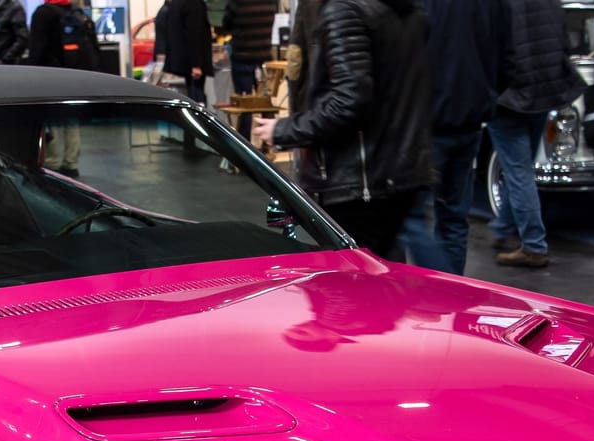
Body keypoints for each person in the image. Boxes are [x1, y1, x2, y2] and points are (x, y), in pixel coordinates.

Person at [252, 0, 433, 257]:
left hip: (358, 181)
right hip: (397, 174)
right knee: (385, 273)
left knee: (352, 282)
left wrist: (285, 130)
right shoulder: (409, 12)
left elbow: (348, 102)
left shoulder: (346, 12)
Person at [398, 0, 511, 274]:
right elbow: (508, 60)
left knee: (408, 217)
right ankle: (452, 294)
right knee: (454, 220)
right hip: (470, 121)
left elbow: (405, 57)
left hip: (428, 124)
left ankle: (436, 293)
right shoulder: (494, 5)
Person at [486, 0, 583, 268]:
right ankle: (502, 227)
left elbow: (492, 46)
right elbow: (563, 41)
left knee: (518, 170)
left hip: (509, 96)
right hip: (544, 90)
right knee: (520, 165)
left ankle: (534, 245)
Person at [30, 0, 101, 175]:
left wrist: (32, 73)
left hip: (50, 74)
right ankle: (71, 162)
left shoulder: (43, 13)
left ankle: (52, 161)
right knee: (71, 117)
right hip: (73, 74)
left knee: (50, 118)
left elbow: (37, 48)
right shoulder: (76, 13)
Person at [226, 0, 278, 136]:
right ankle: (270, 141)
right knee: (265, 103)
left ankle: (244, 142)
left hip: (242, 56)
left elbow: (226, 23)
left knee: (245, 105)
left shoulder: (237, 2)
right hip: (264, 56)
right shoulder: (270, 2)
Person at [165, 0, 216, 104]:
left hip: (183, 60)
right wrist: (196, 64)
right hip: (193, 63)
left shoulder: (176, 3)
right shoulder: (194, 4)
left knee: (192, 95)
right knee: (198, 99)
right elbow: (194, 34)